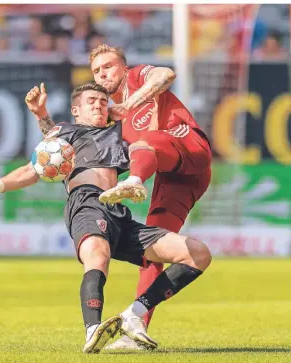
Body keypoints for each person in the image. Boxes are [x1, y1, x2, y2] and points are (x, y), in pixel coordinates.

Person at [0, 83, 212, 353]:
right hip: (87, 202)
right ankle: (92, 330)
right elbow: (35, 167)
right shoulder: (66, 134)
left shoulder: (119, 134)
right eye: (91, 101)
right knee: (97, 255)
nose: (99, 104)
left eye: (103, 100)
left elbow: (152, 139)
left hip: (119, 211)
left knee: (198, 254)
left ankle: (133, 314)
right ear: (76, 110)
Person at [33, 44, 213, 349]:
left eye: (109, 66)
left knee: (143, 142)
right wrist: (42, 117)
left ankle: (133, 180)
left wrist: (131, 103)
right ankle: (136, 321)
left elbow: (166, 74)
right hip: (172, 178)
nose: (103, 74)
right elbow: (66, 142)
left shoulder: (137, 79)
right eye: (97, 70)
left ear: (124, 67)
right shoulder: (106, 116)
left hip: (190, 148)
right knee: (155, 252)